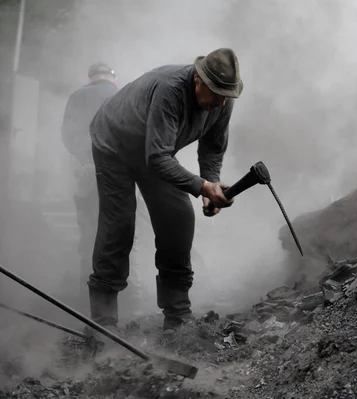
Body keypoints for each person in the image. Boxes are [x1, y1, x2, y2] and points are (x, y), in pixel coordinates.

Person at [88, 48, 242, 332]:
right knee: (119, 225)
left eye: (226, 95)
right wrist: (203, 187)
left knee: (179, 218)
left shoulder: (222, 101)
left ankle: (177, 315)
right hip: (114, 144)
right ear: (197, 80)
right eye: (215, 93)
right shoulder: (171, 91)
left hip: (153, 151)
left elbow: (212, 146)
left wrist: (211, 180)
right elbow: (157, 159)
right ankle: (103, 322)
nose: (220, 102)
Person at [61, 62, 118, 302]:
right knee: (121, 234)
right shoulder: (121, 93)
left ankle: (86, 293)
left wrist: (85, 160)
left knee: (89, 233)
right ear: (111, 78)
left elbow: (68, 134)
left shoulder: (78, 95)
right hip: (119, 175)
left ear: (91, 77)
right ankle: (120, 297)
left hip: (88, 173)